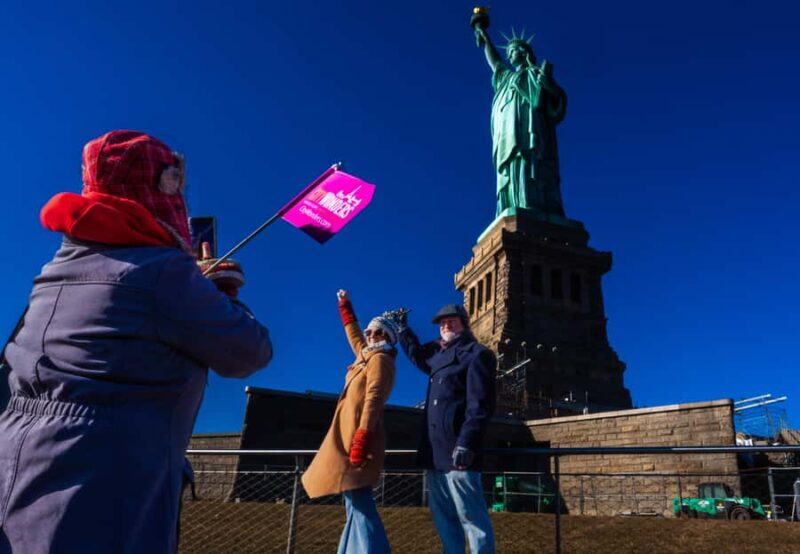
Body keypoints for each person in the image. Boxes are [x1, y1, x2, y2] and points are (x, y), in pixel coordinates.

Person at [0, 130, 273, 554]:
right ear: (160, 189)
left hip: (16, 476)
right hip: (106, 494)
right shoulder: (163, 272)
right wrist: (222, 294)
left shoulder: (55, 268)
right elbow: (249, 351)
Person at [392, 304, 496, 554]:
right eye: (442, 323)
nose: (446, 325)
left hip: (459, 452)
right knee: (444, 520)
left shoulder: (477, 355)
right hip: (434, 452)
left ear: (464, 323)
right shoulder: (439, 357)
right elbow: (418, 356)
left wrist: (467, 442)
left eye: (452, 321)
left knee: (472, 519)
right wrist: (404, 330)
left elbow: (480, 406)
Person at [302, 290, 397, 554]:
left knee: (359, 499)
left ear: (387, 337)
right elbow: (354, 336)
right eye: (369, 332)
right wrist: (345, 306)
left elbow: (375, 397)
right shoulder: (366, 355)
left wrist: (363, 435)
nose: (370, 336)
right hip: (347, 435)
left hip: (359, 436)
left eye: (376, 333)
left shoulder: (381, 359)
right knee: (351, 499)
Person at [474, 24, 568, 218]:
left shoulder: (536, 74)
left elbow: (557, 100)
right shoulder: (506, 78)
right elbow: (496, 63)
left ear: (524, 52)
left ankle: (534, 205)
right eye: (507, 53)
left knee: (529, 164)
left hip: (531, 134)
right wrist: (485, 39)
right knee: (513, 167)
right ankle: (514, 204)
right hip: (507, 137)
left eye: (512, 51)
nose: (509, 56)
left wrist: (549, 86)